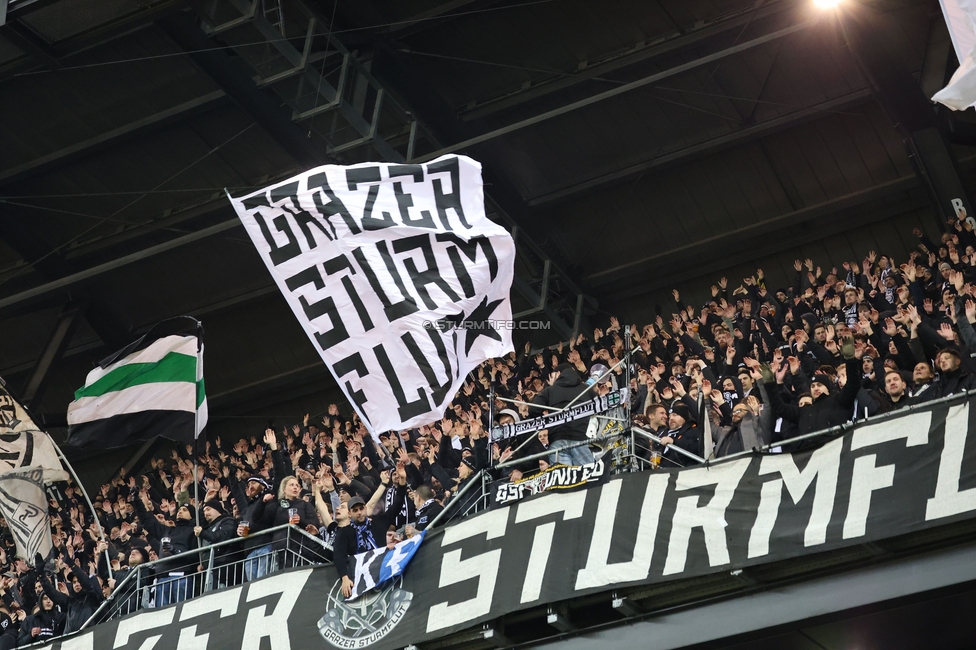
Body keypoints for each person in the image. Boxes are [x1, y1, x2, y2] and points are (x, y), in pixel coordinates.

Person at [532, 363, 597, 466]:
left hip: (557, 440)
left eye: (552, 376)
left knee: (564, 479)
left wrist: (548, 419)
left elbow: (533, 409)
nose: (551, 380)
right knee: (587, 477)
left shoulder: (550, 390)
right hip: (580, 439)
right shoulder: (585, 389)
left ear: (559, 373)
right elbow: (600, 405)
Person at [38, 558, 102, 635]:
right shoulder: (70, 601)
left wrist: (71, 564)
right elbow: (51, 592)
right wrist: (41, 575)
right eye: (74, 582)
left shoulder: (93, 598)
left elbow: (87, 584)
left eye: (79, 581)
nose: (77, 584)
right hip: (71, 642)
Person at [194, 500, 240, 588]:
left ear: (217, 510)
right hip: (211, 570)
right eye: (204, 511)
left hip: (225, 566)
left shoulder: (228, 521)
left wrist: (203, 533)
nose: (206, 513)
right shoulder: (208, 529)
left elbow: (223, 537)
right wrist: (203, 564)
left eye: (208, 509)